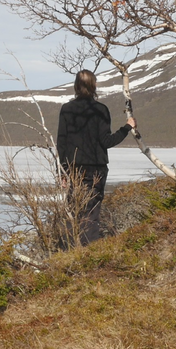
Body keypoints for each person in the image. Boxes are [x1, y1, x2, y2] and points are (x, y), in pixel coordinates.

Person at [56, 69, 137, 246]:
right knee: (91, 212)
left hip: (73, 169)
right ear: (94, 86)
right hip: (95, 170)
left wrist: (62, 172)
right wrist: (127, 127)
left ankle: (70, 250)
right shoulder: (101, 110)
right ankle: (89, 251)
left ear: (76, 86)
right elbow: (107, 141)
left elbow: (61, 143)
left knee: (74, 211)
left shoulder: (66, 109)